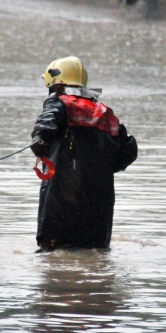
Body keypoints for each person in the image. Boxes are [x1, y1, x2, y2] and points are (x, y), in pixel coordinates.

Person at [30, 56, 138, 252]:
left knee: (53, 255)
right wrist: (99, 168)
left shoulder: (58, 102)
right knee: (94, 253)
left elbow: (45, 127)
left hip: (60, 200)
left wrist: (39, 142)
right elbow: (128, 151)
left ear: (55, 83)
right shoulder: (105, 112)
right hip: (98, 210)